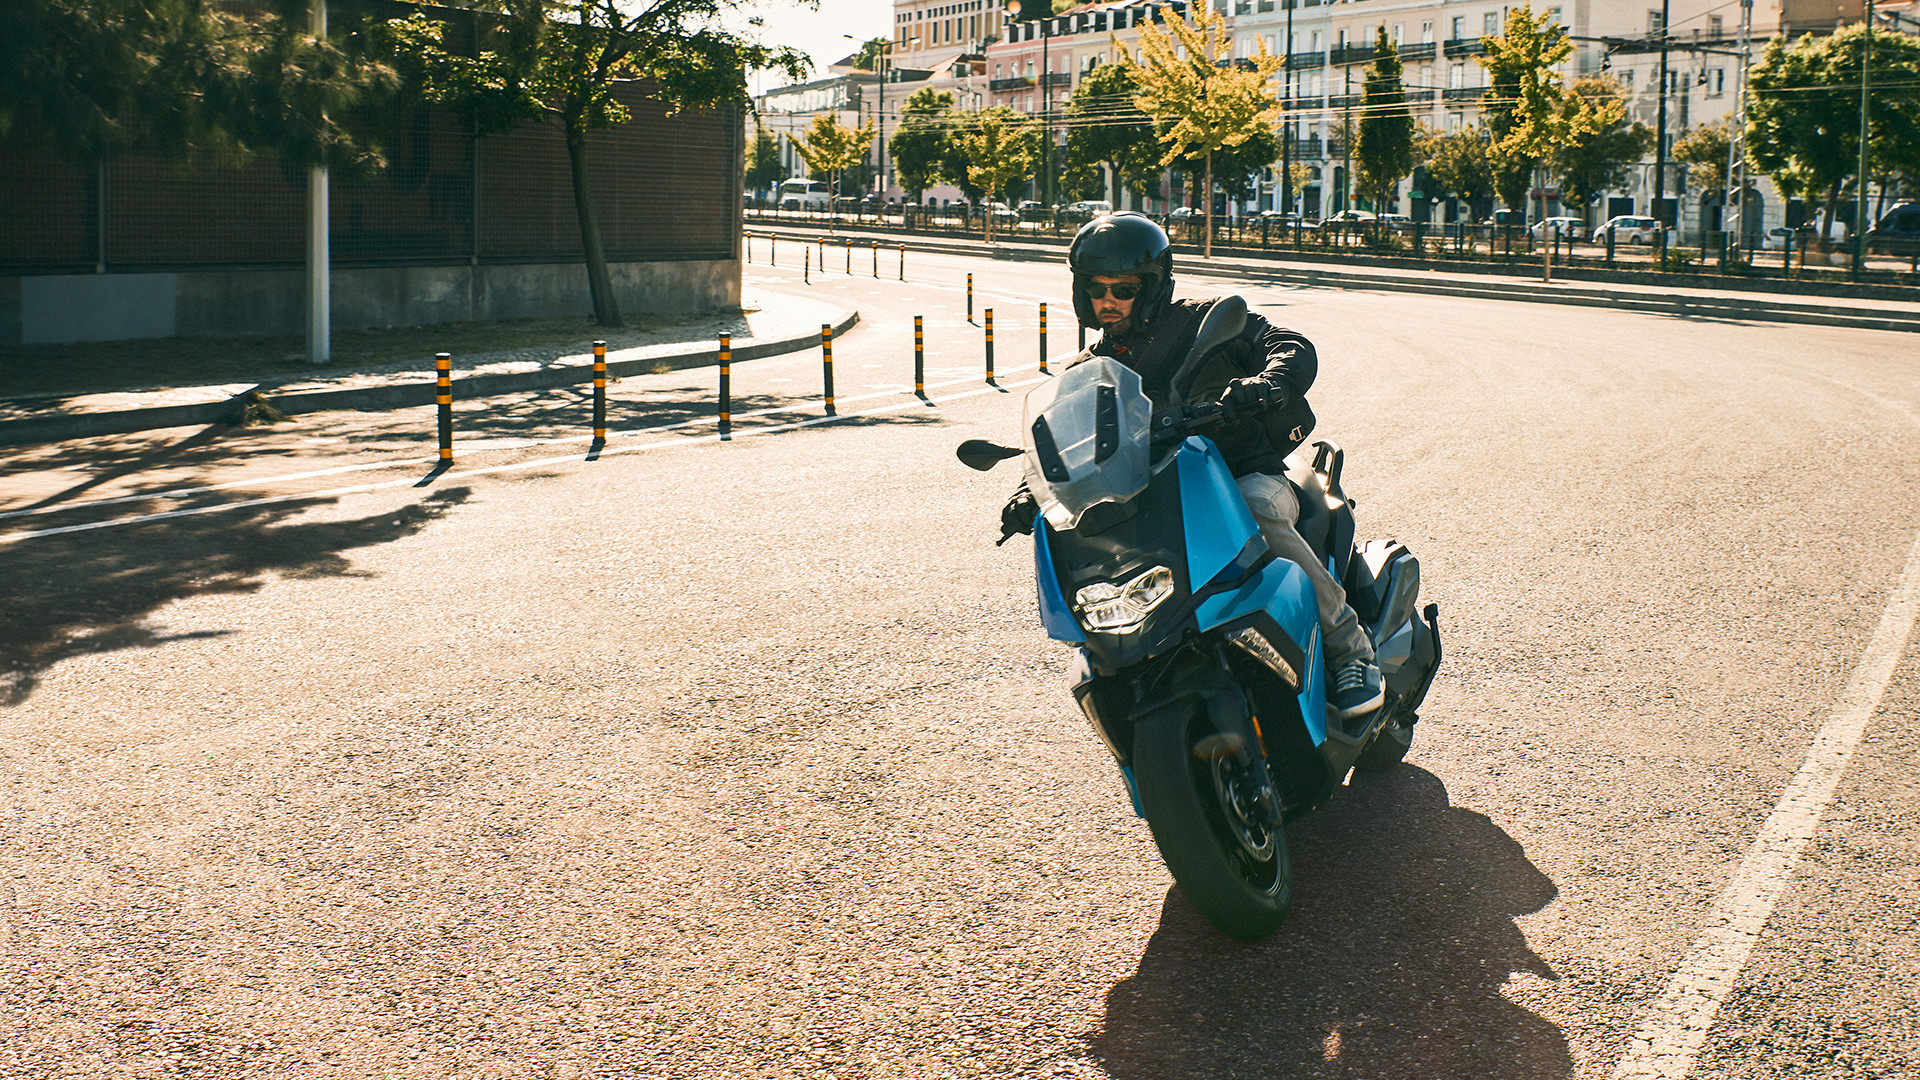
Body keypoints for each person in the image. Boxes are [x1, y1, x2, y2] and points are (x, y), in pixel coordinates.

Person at [1001, 211, 1383, 720]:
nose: (1108, 300)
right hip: (1155, 498)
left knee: (1257, 509)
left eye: (1124, 288)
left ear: (1154, 286)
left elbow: (1286, 344)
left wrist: (1270, 380)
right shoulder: (1086, 371)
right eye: (1097, 289)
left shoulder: (1205, 321)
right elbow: (1064, 445)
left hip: (1240, 476)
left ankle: (1349, 649)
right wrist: (1032, 491)